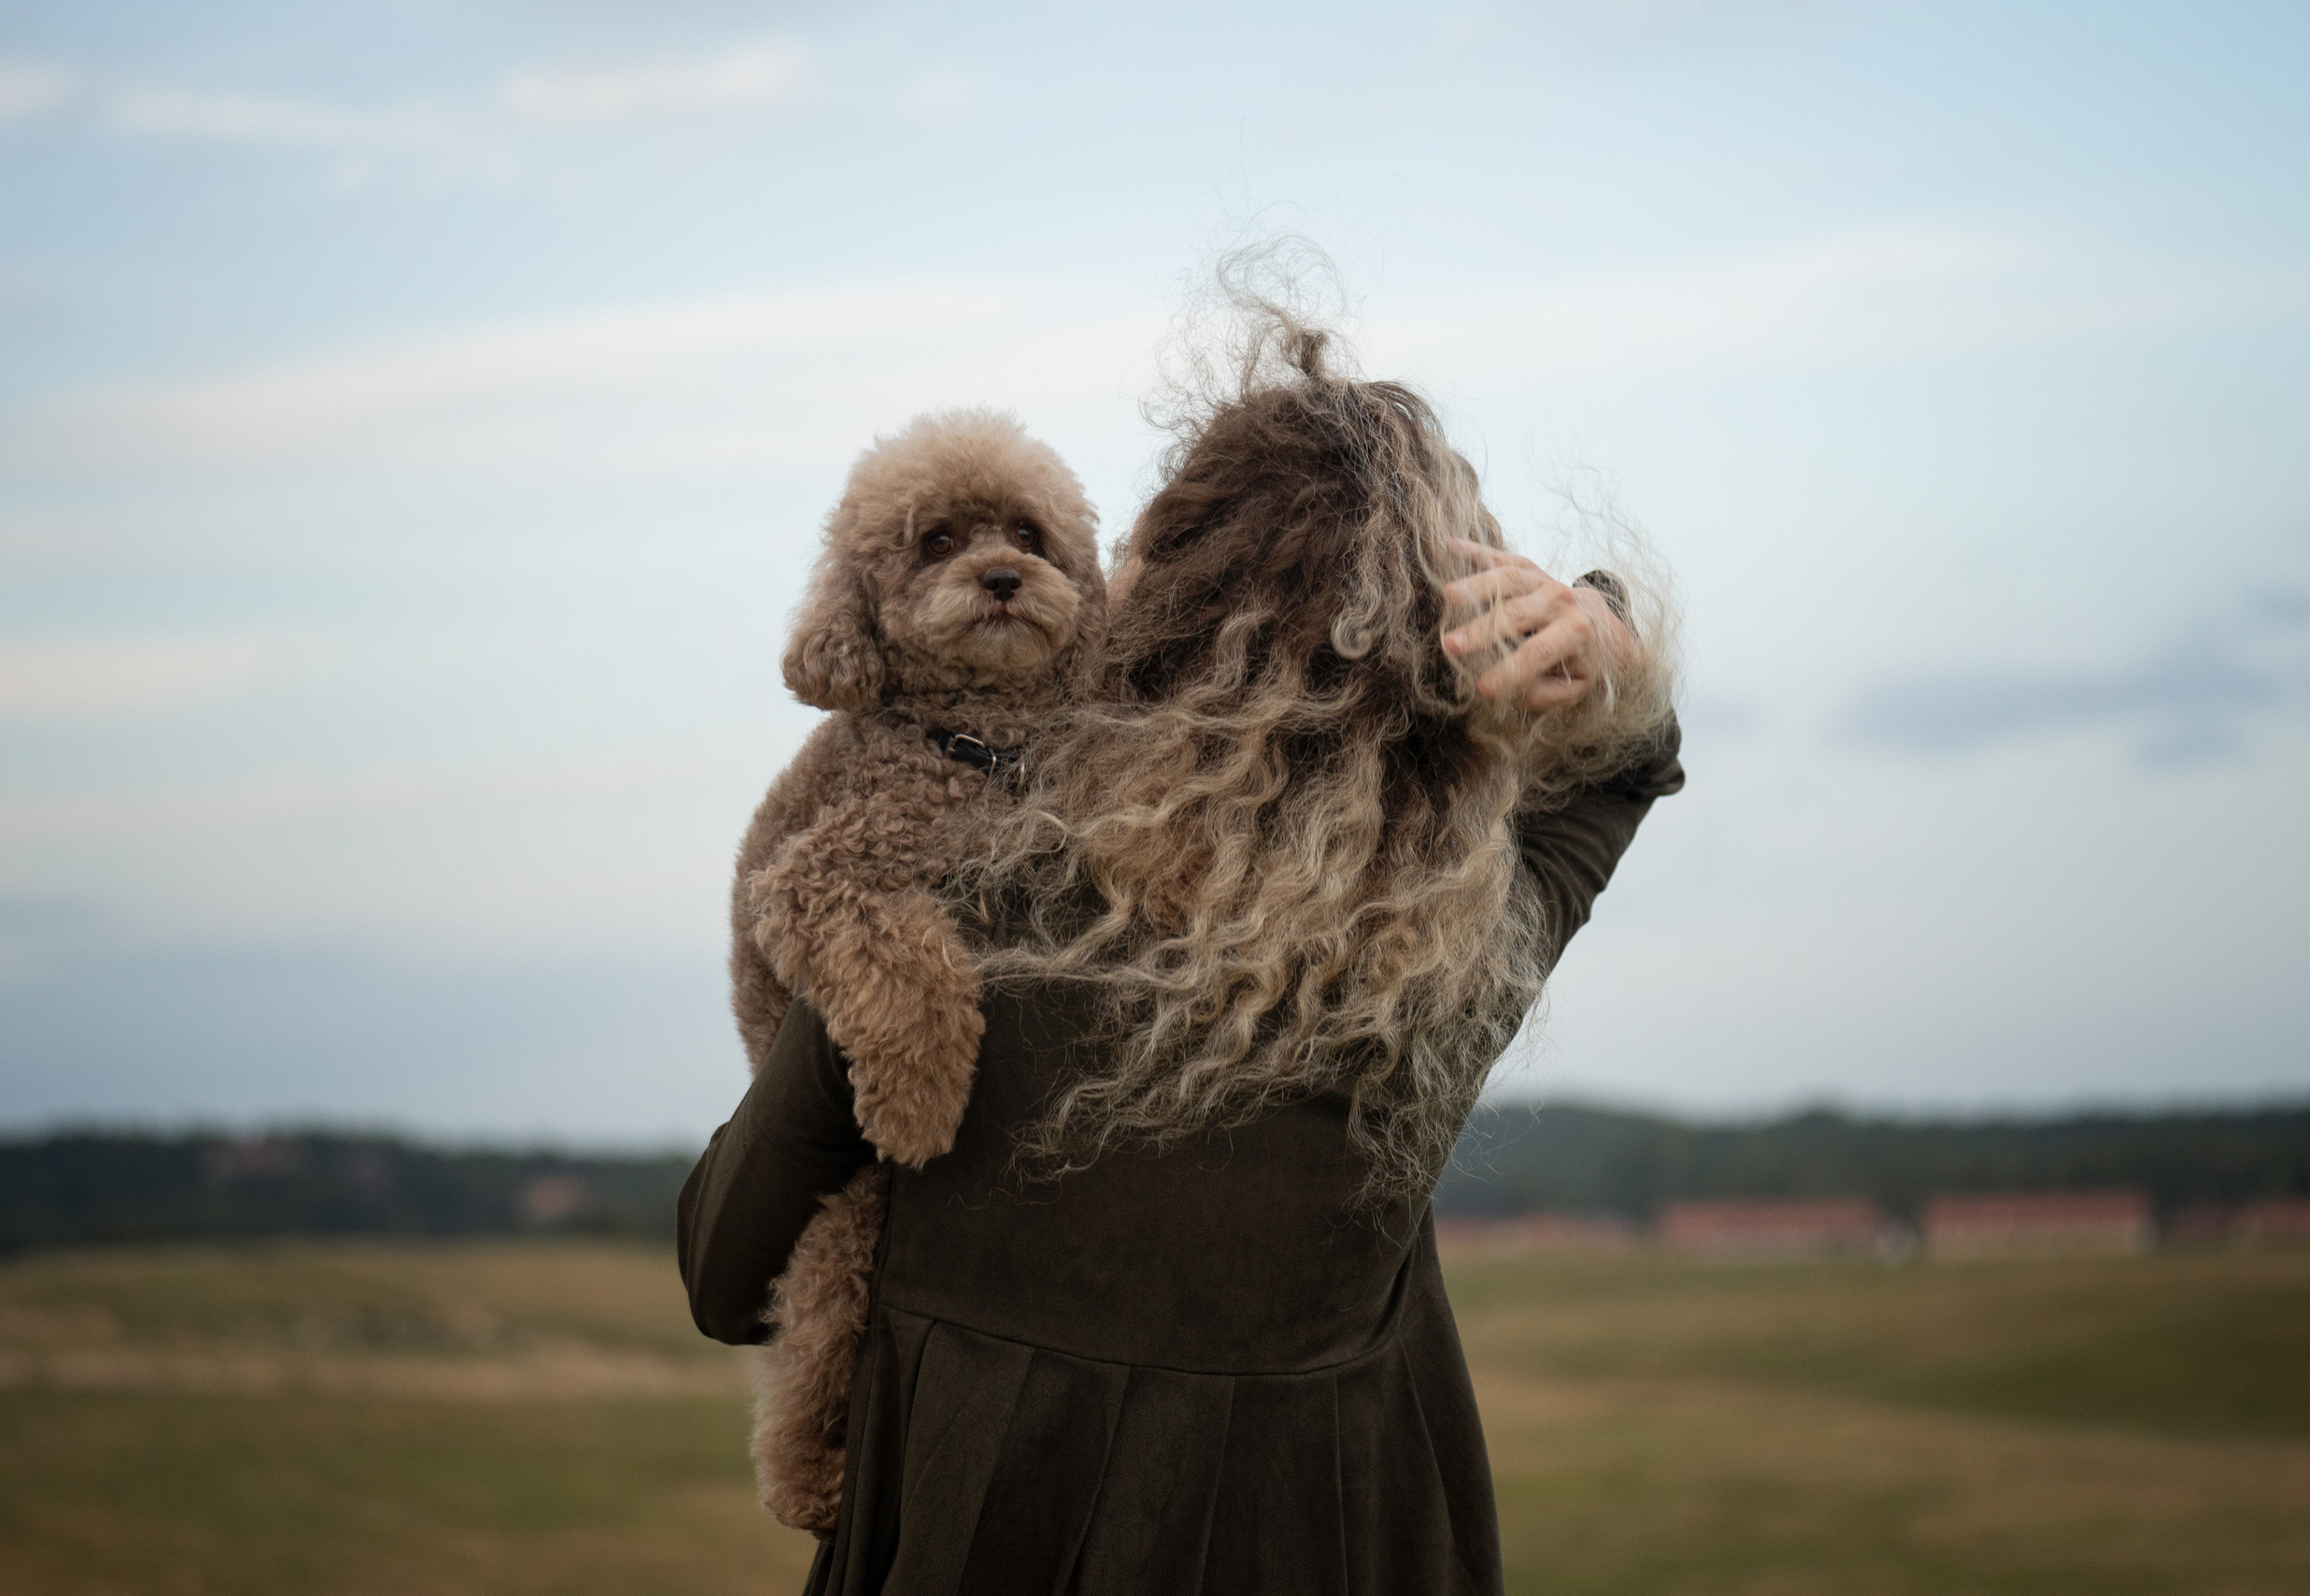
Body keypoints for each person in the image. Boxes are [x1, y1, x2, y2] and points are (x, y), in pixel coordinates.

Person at [678, 316, 1684, 1596]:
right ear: (1430, 682)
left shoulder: (956, 919)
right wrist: (1601, 633)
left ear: (1147, 615)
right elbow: (1623, 772)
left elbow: (723, 1271)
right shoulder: (1450, 966)